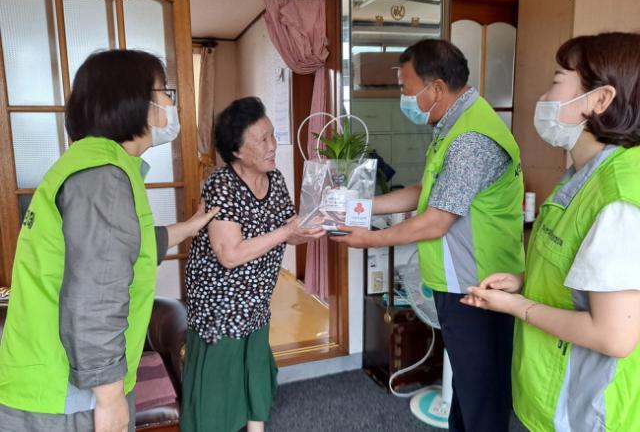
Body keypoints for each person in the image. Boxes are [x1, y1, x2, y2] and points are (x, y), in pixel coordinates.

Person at [0, 49, 216, 432]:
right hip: (68, 392)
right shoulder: (103, 176)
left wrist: (189, 227)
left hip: (50, 380)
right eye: (163, 92)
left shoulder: (93, 163)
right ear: (133, 101)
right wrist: (110, 396)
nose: (170, 105)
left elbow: (123, 248)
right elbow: (95, 294)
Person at [332, 38, 524, 432]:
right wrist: (361, 207)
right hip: (463, 282)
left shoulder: (471, 138)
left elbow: (436, 219)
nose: (403, 97)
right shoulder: (454, 125)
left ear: (436, 88)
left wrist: (367, 239)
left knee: (483, 399)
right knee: (467, 394)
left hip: (478, 286)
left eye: (405, 87)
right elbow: (427, 191)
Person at [462, 32, 640, 432]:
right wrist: (524, 281)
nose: (543, 97)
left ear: (600, 100)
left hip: (587, 411)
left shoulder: (619, 198)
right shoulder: (581, 175)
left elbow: (614, 335)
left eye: (557, 81)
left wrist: (516, 307)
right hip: (547, 392)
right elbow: (585, 275)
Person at [181, 97, 325, 432]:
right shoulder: (221, 184)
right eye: (262, 140)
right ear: (237, 151)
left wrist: (308, 230)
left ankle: (256, 427)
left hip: (257, 297)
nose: (273, 145)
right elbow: (229, 254)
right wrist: (286, 232)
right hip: (220, 304)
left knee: (254, 363)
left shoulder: (275, 179)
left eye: (272, 135)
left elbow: (287, 232)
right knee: (220, 381)